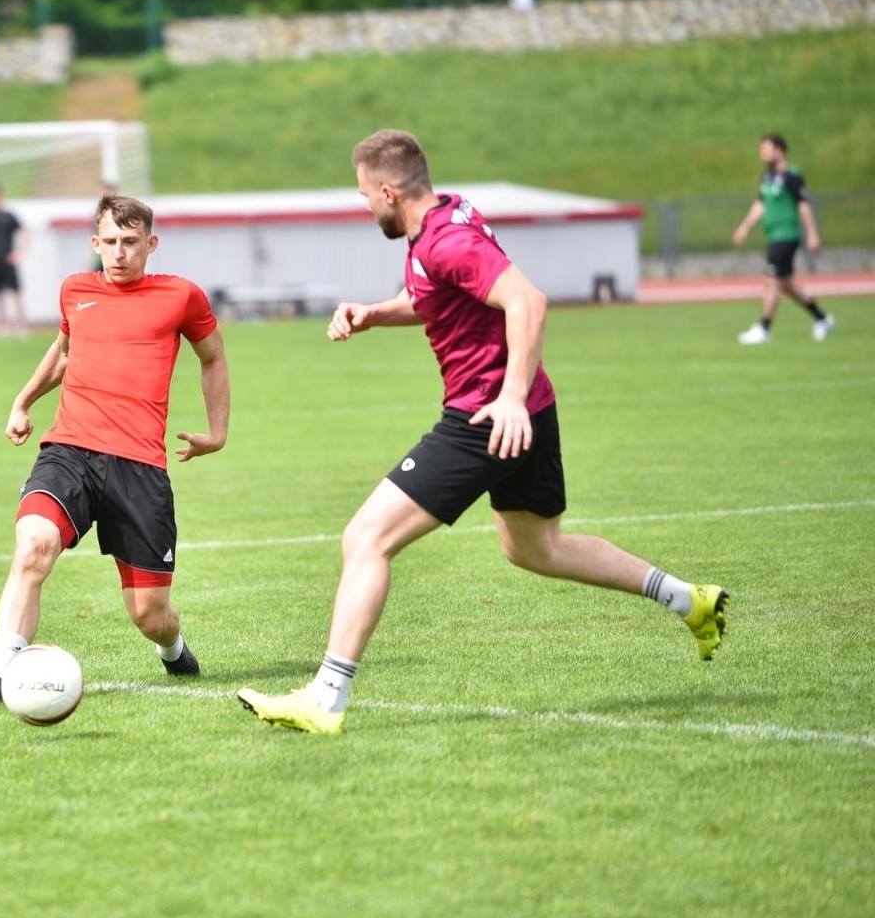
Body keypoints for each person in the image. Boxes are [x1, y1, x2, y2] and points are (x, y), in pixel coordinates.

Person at [237, 129, 729, 736]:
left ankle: (326, 699)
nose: (365, 206)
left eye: (365, 195)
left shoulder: (447, 239)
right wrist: (375, 313)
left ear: (389, 191)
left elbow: (528, 301)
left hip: (487, 414)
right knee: (534, 547)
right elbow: (435, 295)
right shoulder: (442, 219)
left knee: (365, 538)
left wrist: (510, 399)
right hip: (524, 409)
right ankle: (688, 599)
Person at [0, 193, 231, 708]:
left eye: (130, 242)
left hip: (139, 468)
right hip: (69, 450)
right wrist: (23, 401)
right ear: (95, 243)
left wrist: (217, 431)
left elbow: (212, 357)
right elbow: (64, 352)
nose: (119, 253)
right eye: (110, 243)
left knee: (150, 614)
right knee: (32, 545)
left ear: (151, 243)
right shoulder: (75, 290)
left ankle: (173, 647)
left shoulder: (182, 296)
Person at [732, 133, 833, 344]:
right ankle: (821, 317)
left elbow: (804, 206)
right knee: (786, 285)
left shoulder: (792, 176)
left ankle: (764, 327)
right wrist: (745, 227)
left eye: (766, 150)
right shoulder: (767, 177)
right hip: (773, 236)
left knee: (770, 280)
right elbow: (760, 204)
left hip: (786, 236)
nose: (762, 154)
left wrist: (812, 233)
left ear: (779, 150)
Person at [0, 183, 29, 338]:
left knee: (16, 293)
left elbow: (24, 232)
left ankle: (22, 325)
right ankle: (3, 325)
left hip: (9, 261)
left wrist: (19, 252)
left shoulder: (9, 217)